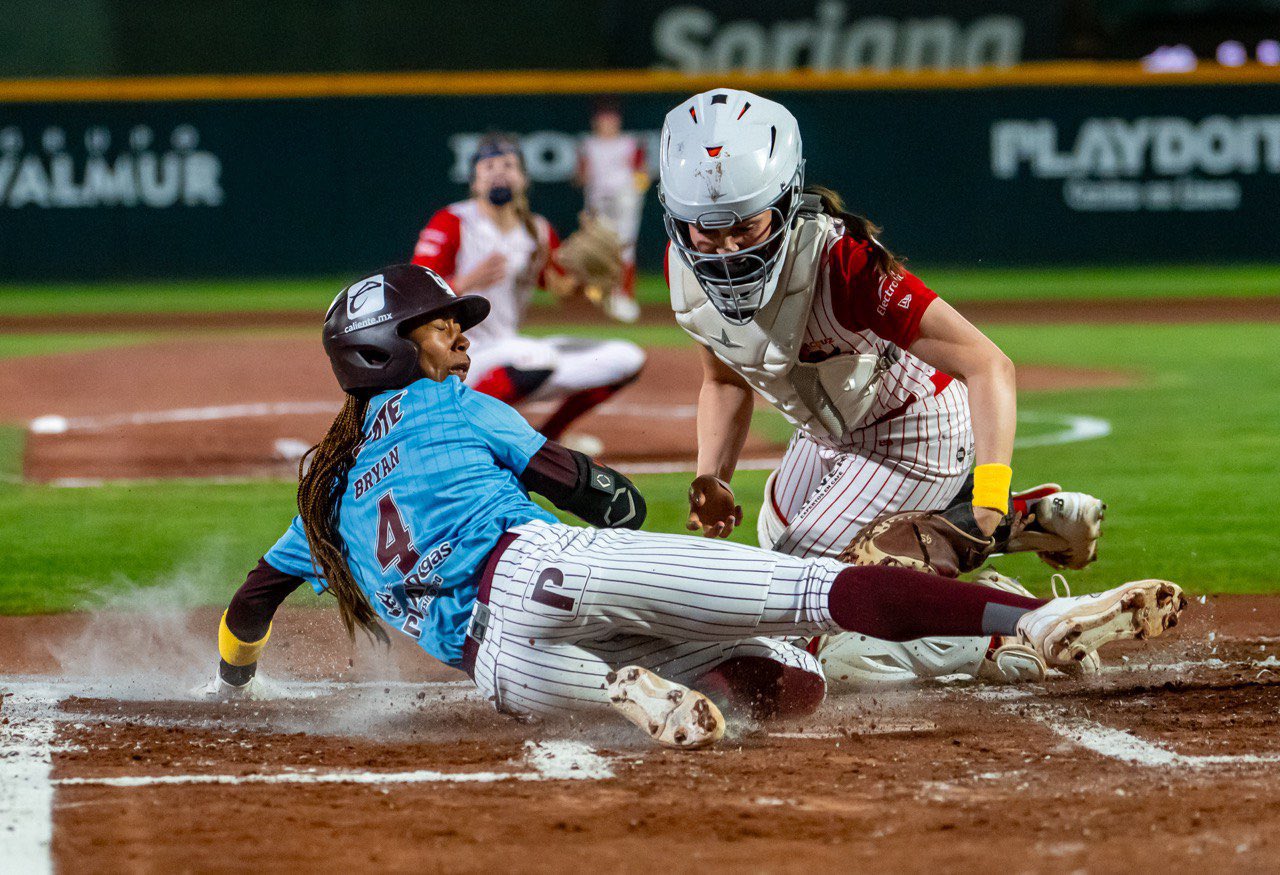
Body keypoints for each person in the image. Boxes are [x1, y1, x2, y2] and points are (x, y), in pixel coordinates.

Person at [195, 264, 1186, 750]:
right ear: (387, 351)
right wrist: (617, 500)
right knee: (810, 595)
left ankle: (622, 685)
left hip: (503, 658)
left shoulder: (318, 500)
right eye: (435, 325)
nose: (454, 335)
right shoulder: (452, 404)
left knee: (772, 690)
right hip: (556, 566)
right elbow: (584, 488)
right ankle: (1033, 617)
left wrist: (236, 683)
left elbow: (250, 603)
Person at [658, 89, 1110, 687]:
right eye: (705, 230)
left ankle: (997, 633)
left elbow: (988, 364)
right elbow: (722, 380)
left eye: (744, 226)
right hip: (832, 433)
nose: (725, 250)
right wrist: (711, 476)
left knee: (804, 603)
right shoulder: (682, 265)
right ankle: (1007, 526)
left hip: (916, 431)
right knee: (775, 530)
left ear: (786, 200)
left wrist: (992, 486)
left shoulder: (843, 265)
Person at [413, 133, 644, 455]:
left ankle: (549, 438)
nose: (499, 171)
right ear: (474, 182)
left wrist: (590, 282)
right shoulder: (453, 221)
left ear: (523, 178)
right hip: (457, 358)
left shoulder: (537, 230)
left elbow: (564, 293)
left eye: (508, 164)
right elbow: (414, 293)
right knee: (538, 357)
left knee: (627, 357)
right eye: (488, 165)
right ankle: (452, 427)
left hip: (507, 352)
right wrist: (465, 282)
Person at [575, 99, 650, 324]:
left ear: (618, 121)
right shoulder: (588, 144)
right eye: (603, 119)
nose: (607, 123)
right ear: (596, 122)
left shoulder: (629, 142)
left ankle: (625, 296)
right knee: (599, 248)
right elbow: (580, 177)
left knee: (625, 245)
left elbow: (642, 173)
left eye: (611, 119)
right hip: (598, 201)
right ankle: (601, 297)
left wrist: (634, 191)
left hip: (625, 200)